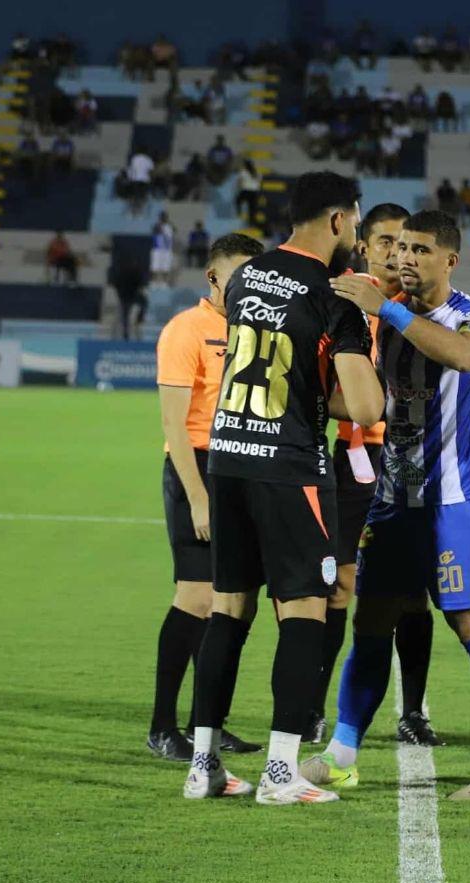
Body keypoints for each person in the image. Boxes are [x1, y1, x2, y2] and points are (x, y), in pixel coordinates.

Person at [303, 209, 470, 802]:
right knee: (371, 623)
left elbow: (465, 357)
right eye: (400, 247)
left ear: (448, 261)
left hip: (453, 500)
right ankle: (343, 755)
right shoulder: (383, 314)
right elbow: (366, 402)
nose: (405, 258)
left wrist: (389, 311)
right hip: (392, 500)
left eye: (420, 250)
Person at [184, 171, 384, 804]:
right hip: (289, 466)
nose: (355, 232)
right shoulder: (334, 296)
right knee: (303, 612)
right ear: (336, 221)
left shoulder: (247, 275)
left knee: (229, 609)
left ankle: (203, 766)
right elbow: (365, 404)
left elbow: (281, 366)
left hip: (229, 456)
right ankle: (279, 774)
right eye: (355, 221)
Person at [304, 202, 443, 748]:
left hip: (409, 462)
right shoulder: (343, 298)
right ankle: (315, 709)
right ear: (364, 246)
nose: (395, 252)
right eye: (384, 241)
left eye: (405, 243)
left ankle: (413, 712)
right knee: (338, 588)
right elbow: (316, 383)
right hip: (347, 461)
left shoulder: (420, 308)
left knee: (412, 595)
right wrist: (364, 408)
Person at [150, 232, 266, 764]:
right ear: (213, 277)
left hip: (243, 465)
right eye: (237, 275)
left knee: (230, 605)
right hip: (196, 466)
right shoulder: (186, 330)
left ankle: (207, 726)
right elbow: (174, 427)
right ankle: (162, 726)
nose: (247, 285)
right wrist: (198, 498)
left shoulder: (258, 328)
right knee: (195, 598)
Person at [150, 214, 174, 285]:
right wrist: (159, 227)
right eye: (162, 218)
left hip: (166, 249)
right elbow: (154, 232)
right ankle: (153, 281)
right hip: (157, 248)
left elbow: (172, 234)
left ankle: (164, 282)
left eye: (165, 218)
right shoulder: (156, 226)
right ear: (160, 218)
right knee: (154, 266)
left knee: (165, 266)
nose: (163, 219)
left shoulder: (169, 227)